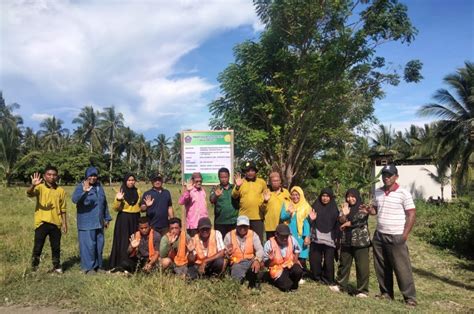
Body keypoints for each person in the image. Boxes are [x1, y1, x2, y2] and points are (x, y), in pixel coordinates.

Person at [367, 164, 417, 306]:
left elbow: (411, 214)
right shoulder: (378, 192)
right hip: (380, 235)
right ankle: (386, 293)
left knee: (402, 268)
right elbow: (375, 210)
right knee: (381, 266)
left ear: (396, 177)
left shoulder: (403, 193)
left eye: (389, 175)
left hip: (396, 236)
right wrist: (369, 210)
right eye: (384, 175)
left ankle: (410, 298)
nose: (386, 178)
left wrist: (405, 235)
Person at [72, 166, 112, 274]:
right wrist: (84, 192)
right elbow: (74, 200)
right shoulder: (81, 186)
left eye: (95, 175)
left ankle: (98, 266)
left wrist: (107, 218)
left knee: (99, 245)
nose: (93, 178)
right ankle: (88, 267)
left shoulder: (99, 187)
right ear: (86, 176)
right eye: (91, 175)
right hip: (86, 222)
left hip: (99, 222)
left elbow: (104, 203)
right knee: (88, 246)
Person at [27, 166, 67, 273]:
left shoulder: (61, 191)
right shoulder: (39, 187)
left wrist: (64, 224)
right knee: (38, 246)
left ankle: (57, 266)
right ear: (44, 176)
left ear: (57, 176)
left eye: (54, 175)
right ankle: (34, 268)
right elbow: (29, 194)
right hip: (42, 223)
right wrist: (33, 185)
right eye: (49, 174)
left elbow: (63, 209)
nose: (52, 177)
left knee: (56, 247)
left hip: (56, 223)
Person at [336, 188, 371, 297]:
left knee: (362, 266)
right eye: (348, 196)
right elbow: (340, 220)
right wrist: (345, 215)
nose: (350, 199)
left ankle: (362, 290)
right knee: (344, 263)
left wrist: (348, 224)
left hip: (360, 241)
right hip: (346, 239)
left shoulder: (362, 207)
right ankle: (341, 284)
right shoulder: (345, 207)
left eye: (352, 196)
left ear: (357, 196)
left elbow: (360, 219)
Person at [109, 173, 142, 271]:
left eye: (133, 180)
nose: (131, 182)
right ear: (125, 181)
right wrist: (119, 200)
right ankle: (121, 263)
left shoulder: (138, 191)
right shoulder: (121, 192)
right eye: (129, 180)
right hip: (124, 219)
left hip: (136, 218)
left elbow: (140, 205)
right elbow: (115, 208)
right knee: (123, 240)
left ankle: (133, 263)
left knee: (135, 240)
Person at [308, 188, 340, 290]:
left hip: (329, 239)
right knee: (315, 260)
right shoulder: (315, 206)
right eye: (323, 196)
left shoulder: (334, 208)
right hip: (316, 238)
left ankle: (328, 278)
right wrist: (311, 219)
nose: (325, 198)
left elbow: (337, 224)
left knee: (328, 262)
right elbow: (309, 221)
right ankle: (317, 277)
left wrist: (337, 239)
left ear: (330, 197)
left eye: (327, 196)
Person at [224, 216, 264, 289]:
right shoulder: (229, 235)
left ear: (248, 226)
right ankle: (242, 277)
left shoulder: (253, 234)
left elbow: (260, 249)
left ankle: (256, 281)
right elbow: (224, 252)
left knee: (261, 263)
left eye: (245, 226)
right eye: (240, 226)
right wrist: (227, 253)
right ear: (236, 226)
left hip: (250, 261)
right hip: (237, 263)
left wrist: (257, 260)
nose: (242, 228)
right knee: (236, 282)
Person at [280, 186, 311, 279]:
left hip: (300, 235)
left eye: (297, 195)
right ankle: (289, 273)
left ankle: (301, 275)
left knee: (301, 254)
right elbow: (282, 218)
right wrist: (288, 212)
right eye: (293, 195)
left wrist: (307, 236)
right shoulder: (286, 204)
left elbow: (306, 223)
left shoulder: (306, 206)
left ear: (301, 195)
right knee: (290, 253)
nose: (295, 197)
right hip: (289, 234)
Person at [232, 161, 267, 242]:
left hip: (258, 217)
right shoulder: (241, 181)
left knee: (258, 240)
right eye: (247, 171)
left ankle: (258, 255)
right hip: (243, 217)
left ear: (255, 171)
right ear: (245, 172)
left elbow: (266, 195)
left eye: (252, 170)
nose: (250, 173)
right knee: (243, 240)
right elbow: (234, 195)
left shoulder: (261, 182)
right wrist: (237, 186)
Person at [263, 224, 303, 292]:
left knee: (298, 271)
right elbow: (265, 264)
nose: (285, 238)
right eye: (282, 236)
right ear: (276, 234)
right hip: (277, 269)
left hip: (290, 265)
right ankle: (275, 279)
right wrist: (270, 259)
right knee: (286, 286)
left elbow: (297, 250)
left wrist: (295, 261)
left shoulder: (291, 239)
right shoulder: (268, 244)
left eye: (286, 236)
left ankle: (294, 283)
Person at [210, 167, 239, 238]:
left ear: (229, 177)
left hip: (233, 221)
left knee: (233, 243)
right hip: (220, 222)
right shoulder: (216, 188)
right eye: (221, 177)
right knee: (220, 244)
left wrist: (238, 186)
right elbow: (211, 200)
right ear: (219, 177)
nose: (223, 179)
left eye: (225, 177)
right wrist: (216, 196)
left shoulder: (234, 187)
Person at [179, 172, 208, 237]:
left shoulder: (203, 191)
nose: (199, 183)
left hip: (203, 224)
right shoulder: (190, 191)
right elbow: (181, 202)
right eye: (197, 181)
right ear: (192, 181)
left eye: (200, 181)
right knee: (193, 245)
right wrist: (188, 191)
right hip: (193, 225)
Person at [263, 172, 290, 240]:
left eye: (277, 180)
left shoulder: (286, 192)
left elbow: (291, 206)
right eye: (273, 181)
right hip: (270, 226)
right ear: (270, 182)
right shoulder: (266, 192)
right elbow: (261, 209)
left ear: (280, 181)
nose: (275, 182)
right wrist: (265, 201)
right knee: (271, 247)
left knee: (283, 247)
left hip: (283, 225)